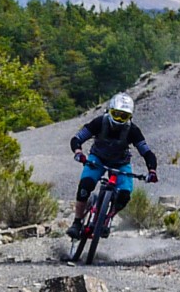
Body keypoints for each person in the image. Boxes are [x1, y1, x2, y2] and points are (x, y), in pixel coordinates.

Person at [68, 91, 158, 238]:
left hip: (120, 164)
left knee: (124, 195)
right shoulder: (98, 122)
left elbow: (146, 152)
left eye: (124, 116)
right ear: (109, 111)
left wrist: (152, 171)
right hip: (97, 159)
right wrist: (78, 152)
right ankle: (77, 222)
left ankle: (107, 217)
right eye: (116, 114)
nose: (119, 120)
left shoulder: (133, 131)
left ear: (130, 117)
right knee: (85, 186)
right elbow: (77, 138)